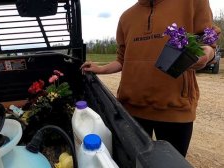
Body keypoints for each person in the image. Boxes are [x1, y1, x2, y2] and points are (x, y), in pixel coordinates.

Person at [81, 0, 220, 157]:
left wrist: (207, 54)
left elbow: (209, 43)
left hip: (175, 109)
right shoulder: (126, 17)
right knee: (135, 163)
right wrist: (99, 69)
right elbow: (121, 60)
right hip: (131, 109)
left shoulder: (192, 2)